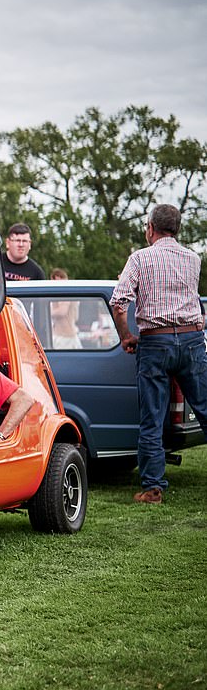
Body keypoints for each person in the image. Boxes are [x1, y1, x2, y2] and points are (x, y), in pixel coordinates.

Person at [110, 203, 207, 504]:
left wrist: (127, 336)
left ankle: (153, 487)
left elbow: (118, 302)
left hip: (155, 342)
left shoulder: (140, 258)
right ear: (176, 229)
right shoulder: (193, 258)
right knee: (205, 407)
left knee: (152, 416)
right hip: (191, 339)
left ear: (150, 228)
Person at [48, 268, 81, 349]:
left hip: (65, 336)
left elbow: (62, 311)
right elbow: (76, 317)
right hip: (65, 334)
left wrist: (45, 313)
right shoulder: (71, 291)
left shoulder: (66, 290)